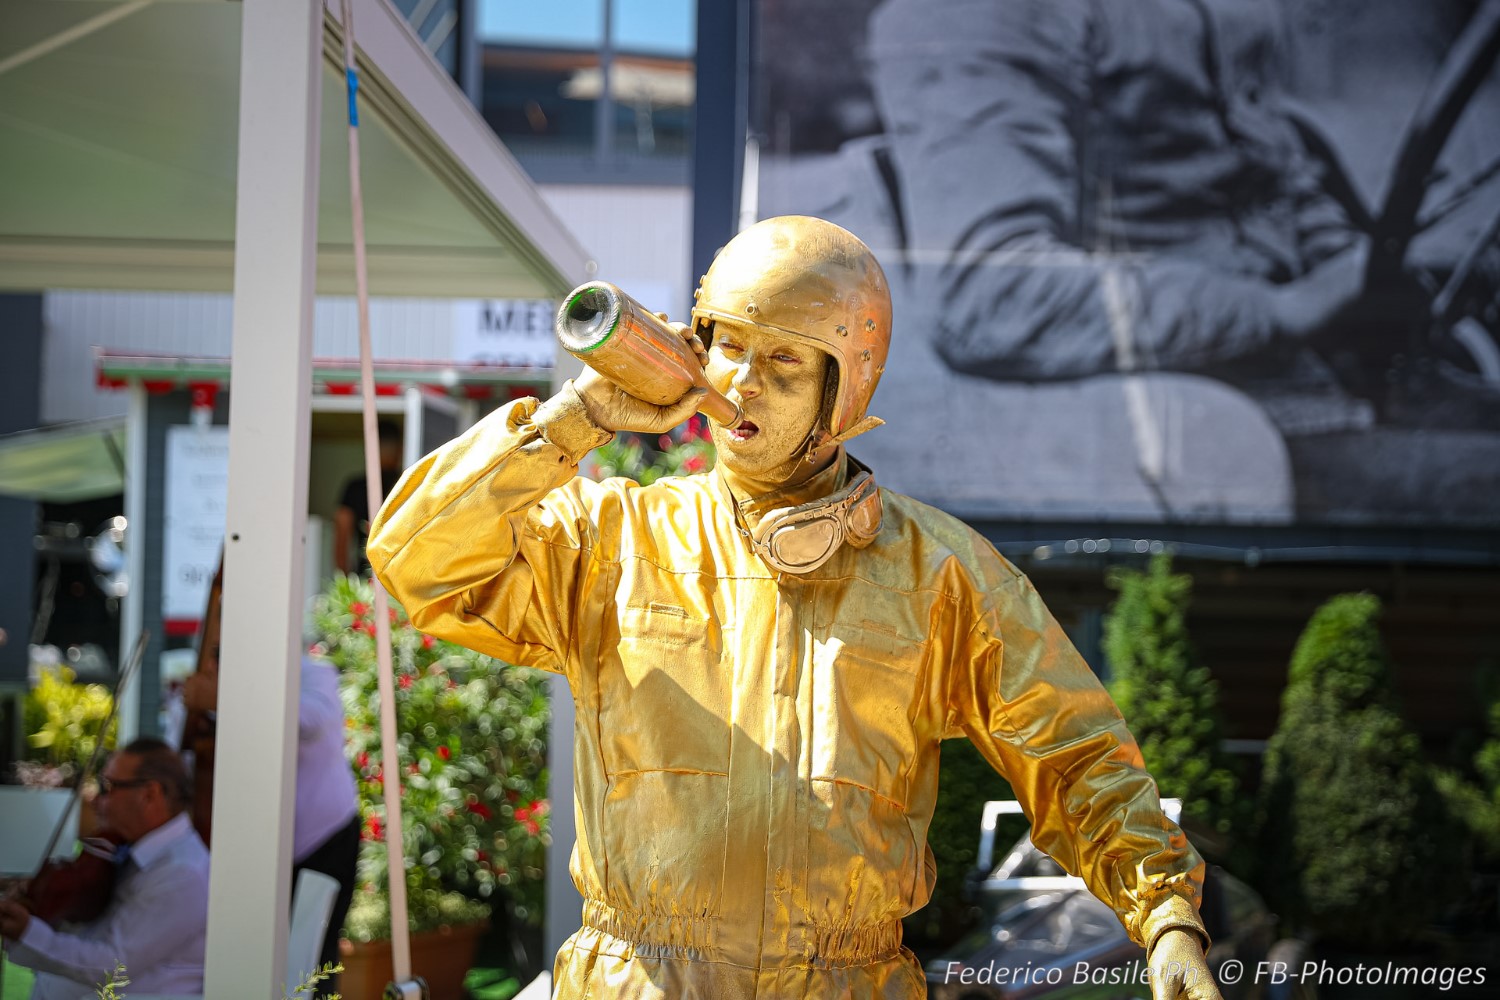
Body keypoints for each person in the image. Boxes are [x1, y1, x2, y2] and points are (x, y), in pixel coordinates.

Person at [368, 216, 1220, 999]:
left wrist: (1167, 915)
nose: (741, 382)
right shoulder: (612, 540)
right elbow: (414, 558)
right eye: (727, 346)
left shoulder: (942, 574)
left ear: (844, 392)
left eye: (783, 363)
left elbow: (1076, 757)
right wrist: (575, 418)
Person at [181, 655, 359, 990]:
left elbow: (311, 720)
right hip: (260, 846)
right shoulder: (225, 678)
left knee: (313, 959)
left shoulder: (314, 672)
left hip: (324, 837)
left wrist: (223, 696)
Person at [0, 737, 211, 999]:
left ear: (150, 794)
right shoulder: (129, 851)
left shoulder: (182, 873)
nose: (98, 801)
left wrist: (28, 932)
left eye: (109, 787)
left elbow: (113, 965)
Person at [334, 420, 404, 575]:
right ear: (400, 449)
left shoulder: (355, 487)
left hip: (365, 583)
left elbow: (342, 537)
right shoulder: (406, 484)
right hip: (401, 581)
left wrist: (346, 584)